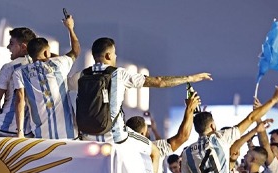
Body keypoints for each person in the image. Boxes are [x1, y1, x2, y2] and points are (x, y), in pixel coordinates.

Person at [76, 37, 210, 143]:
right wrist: (190, 78)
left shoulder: (81, 75)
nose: (116, 57)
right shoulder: (119, 74)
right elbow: (159, 82)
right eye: (114, 54)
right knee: (155, 150)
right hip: (116, 138)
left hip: (86, 137)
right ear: (108, 56)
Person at [13, 13, 80, 140]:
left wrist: (20, 132)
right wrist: (70, 28)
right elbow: (76, 50)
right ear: (46, 52)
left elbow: (20, 101)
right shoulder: (59, 63)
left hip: (42, 137)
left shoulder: (20, 72)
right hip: (68, 134)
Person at [0, 27, 36, 137]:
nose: (8, 47)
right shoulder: (38, 66)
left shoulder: (9, 68)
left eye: (11, 43)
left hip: (4, 129)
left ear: (23, 47)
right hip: (29, 130)